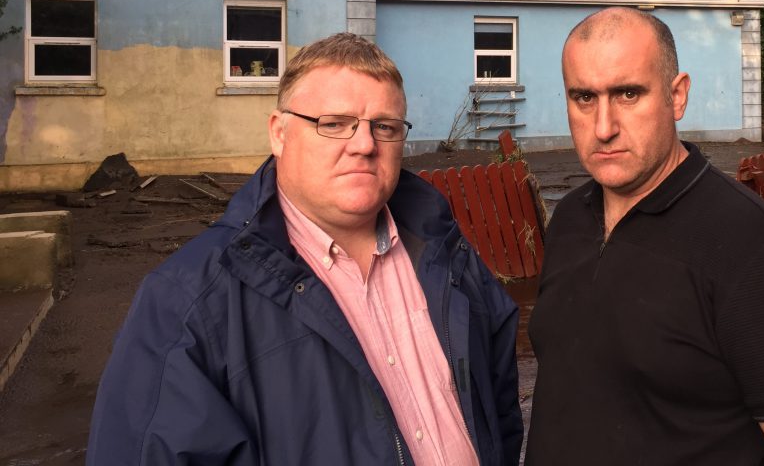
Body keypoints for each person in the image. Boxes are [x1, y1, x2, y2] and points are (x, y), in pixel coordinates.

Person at [88, 32, 523, 466]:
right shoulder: (187, 301)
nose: (365, 145)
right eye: (334, 124)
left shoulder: (446, 254)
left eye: (385, 127)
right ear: (279, 133)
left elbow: (498, 407)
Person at [526, 7, 764, 466]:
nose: (603, 127)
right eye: (584, 97)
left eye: (628, 93)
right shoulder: (569, 221)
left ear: (677, 96)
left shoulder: (762, 254)